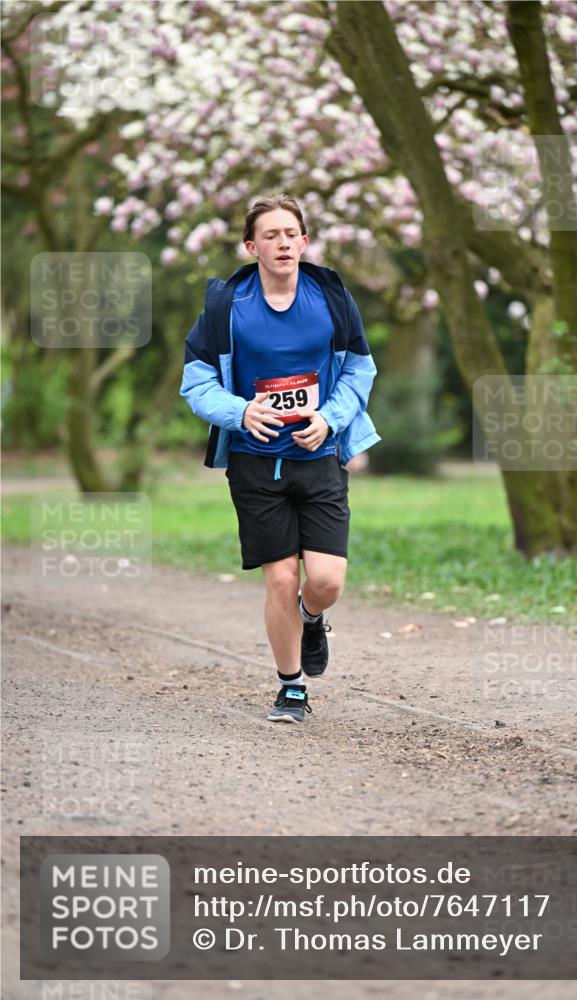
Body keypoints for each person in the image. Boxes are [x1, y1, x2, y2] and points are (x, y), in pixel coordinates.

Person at [180, 193, 380, 723]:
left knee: (326, 581)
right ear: (252, 246)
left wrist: (330, 419)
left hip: (319, 456)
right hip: (255, 461)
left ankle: (313, 620)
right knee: (280, 581)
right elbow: (196, 382)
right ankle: (291, 686)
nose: (283, 242)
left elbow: (361, 369)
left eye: (291, 233)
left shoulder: (332, 297)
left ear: (305, 241)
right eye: (271, 235)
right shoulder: (228, 305)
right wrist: (241, 412)